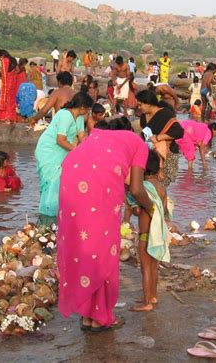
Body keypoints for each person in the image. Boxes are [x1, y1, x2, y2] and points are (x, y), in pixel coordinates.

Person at [57, 116, 153, 331]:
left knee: (83, 247)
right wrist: (152, 208)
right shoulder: (138, 142)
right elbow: (136, 188)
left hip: (70, 178)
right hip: (99, 185)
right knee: (104, 248)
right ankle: (101, 316)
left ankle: (87, 314)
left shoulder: (95, 137)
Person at [35, 92, 93, 225]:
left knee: (61, 182)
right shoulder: (65, 115)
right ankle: (46, 219)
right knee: (52, 182)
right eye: (88, 109)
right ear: (82, 106)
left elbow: (81, 135)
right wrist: (77, 151)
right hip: (49, 151)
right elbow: (60, 140)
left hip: (62, 151)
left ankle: (58, 216)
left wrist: (90, 148)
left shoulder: (78, 117)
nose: (88, 112)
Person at [128, 151, 170, 312]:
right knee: (153, 267)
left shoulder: (143, 187)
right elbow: (165, 210)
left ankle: (147, 302)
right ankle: (152, 295)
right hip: (159, 234)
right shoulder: (161, 188)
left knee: (145, 268)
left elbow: (139, 212)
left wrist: (133, 206)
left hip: (146, 235)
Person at [137, 89, 184, 187]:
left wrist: (159, 137)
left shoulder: (165, 114)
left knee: (160, 186)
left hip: (167, 155)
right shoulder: (143, 117)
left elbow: (179, 131)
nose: (139, 107)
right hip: (151, 156)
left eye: (141, 104)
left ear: (148, 103)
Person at [0, 49, 18, 123]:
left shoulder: (5, 60)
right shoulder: (13, 60)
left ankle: (3, 118)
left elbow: (4, 74)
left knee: (5, 100)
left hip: (7, 83)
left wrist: (4, 85)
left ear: (2, 56)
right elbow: (17, 71)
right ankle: (11, 118)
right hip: (13, 83)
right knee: (11, 101)